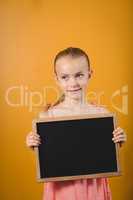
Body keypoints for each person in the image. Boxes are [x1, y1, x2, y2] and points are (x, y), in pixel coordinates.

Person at [26, 47, 127, 200]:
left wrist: (119, 139)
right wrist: (33, 142)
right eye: (65, 77)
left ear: (89, 74)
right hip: (62, 189)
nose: (73, 83)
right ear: (57, 79)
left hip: (94, 186)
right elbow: (46, 156)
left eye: (79, 75)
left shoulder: (101, 114)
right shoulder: (48, 116)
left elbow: (106, 151)